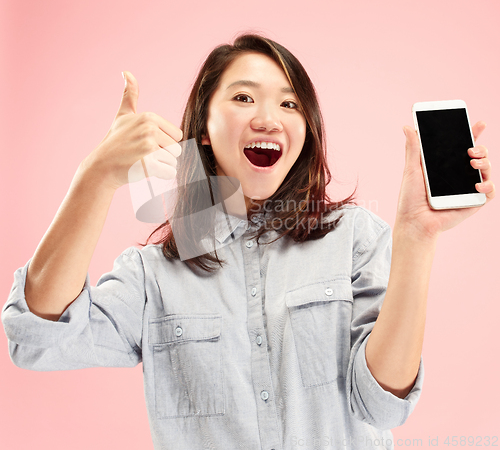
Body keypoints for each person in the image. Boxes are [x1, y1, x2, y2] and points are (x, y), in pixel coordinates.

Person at [2, 34, 495, 450]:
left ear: (306, 130)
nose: (269, 118)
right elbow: (39, 339)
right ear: (207, 128)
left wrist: (415, 238)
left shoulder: (355, 240)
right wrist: (94, 178)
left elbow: (382, 404)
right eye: (242, 98)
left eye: (289, 102)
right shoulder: (153, 274)